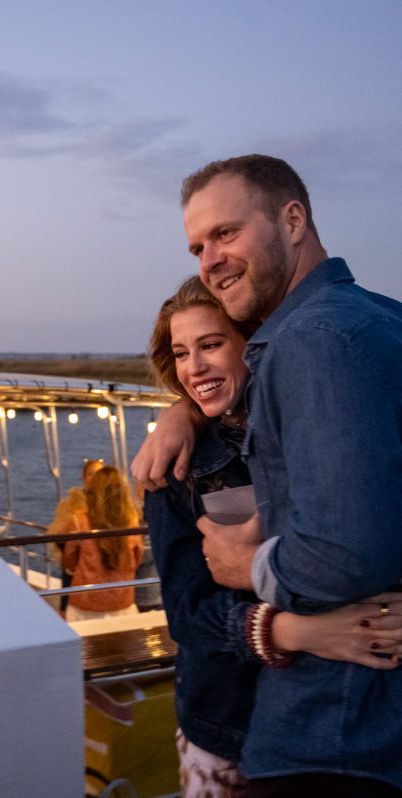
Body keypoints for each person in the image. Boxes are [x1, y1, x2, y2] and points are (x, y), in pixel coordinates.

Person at [134, 155, 402, 796]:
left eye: (226, 233)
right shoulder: (379, 321)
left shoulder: (311, 341)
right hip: (253, 720)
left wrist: (250, 566)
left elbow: (346, 550)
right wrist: (294, 629)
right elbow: (189, 612)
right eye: (198, 245)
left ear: (293, 218)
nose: (209, 258)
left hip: (330, 731)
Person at [62, 465, 143, 622]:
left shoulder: (79, 521)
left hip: (84, 604)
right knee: (124, 646)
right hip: (122, 603)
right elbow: (137, 558)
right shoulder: (132, 522)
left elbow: (69, 560)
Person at [46, 458, 104, 612]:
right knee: (70, 611)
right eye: (91, 474)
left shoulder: (112, 505)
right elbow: (56, 535)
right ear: (83, 479)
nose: (95, 478)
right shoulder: (69, 505)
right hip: (75, 568)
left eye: (99, 474)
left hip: (104, 570)